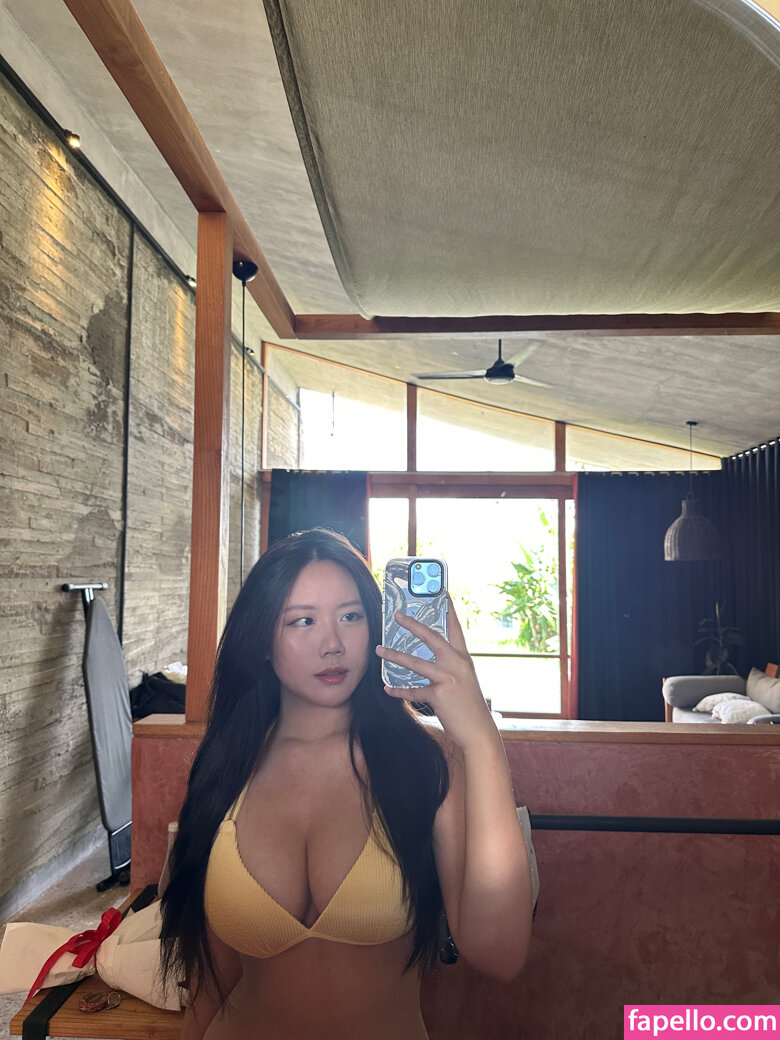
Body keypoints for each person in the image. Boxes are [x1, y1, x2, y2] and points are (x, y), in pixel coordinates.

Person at [160, 528, 533, 1040]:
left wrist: (481, 741)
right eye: (303, 620)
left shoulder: (428, 762)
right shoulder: (226, 765)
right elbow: (211, 982)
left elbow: (500, 954)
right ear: (262, 639)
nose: (332, 644)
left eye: (351, 616)